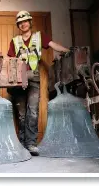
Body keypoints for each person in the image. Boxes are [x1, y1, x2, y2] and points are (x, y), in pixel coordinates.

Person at [7, 10, 71, 156]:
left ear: (30, 22)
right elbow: (10, 60)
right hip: (18, 80)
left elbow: (53, 45)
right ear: (19, 25)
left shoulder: (39, 36)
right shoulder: (14, 41)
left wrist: (68, 51)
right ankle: (22, 144)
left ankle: (31, 143)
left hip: (34, 79)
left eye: (25, 21)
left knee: (33, 111)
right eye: (20, 22)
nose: (23, 24)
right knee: (22, 115)